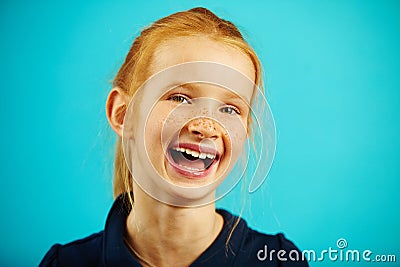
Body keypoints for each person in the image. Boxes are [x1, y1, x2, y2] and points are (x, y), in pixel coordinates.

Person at [40, 7, 308, 267]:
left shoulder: (279, 261)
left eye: (229, 109)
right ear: (123, 115)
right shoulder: (64, 263)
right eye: (180, 98)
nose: (206, 127)